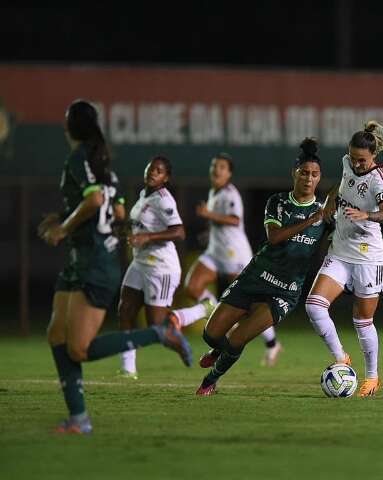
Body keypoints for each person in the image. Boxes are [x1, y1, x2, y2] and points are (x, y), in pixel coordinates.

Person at [38, 100, 193, 434]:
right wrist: (67, 219)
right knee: (56, 335)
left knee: (77, 348)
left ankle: (160, 332)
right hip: (84, 260)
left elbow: (94, 201)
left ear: (69, 127)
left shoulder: (80, 159)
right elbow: (118, 214)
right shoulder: (105, 167)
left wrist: (63, 228)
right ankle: (79, 418)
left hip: (95, 263)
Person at [196, 138, 327, 395]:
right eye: (304, 173)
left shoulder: (325, 213)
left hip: (285, 291)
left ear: (320, 177)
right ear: (294, 173)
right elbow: (274, 237)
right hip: (255, 277)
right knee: (211, 335)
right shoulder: (278, 202)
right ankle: (216, 348)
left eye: (314, 174)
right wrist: (311, 220)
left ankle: (210, 381)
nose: (309, 179)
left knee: (237, 338)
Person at [305, 121, 383, 398]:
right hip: (341, 251)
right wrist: (331, 200)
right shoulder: (347, 163)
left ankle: (372, 377)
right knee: (314, 306)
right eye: (353, 158)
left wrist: (366, 215)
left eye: (362, 160)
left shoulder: (380, 180)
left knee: (362, 321)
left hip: (369, 258)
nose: (356, 164)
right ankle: (341, 357)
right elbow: (342, 185)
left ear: (373, 157)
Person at [117, 155, 213, 379]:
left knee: (157, 327)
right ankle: (128, 369)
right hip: (140, 262)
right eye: (150, 168)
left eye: (158, 171)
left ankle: (203, 309)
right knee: (125, 310)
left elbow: (179, 231)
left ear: (166, 178)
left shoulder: (164, 199)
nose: (152, 172)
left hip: (161, 266)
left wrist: (147, 237)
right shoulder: (143, 196)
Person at [184, 153, 283, 366]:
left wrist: (208, 215)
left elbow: (234, 219)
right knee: (192, 286)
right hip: (215, 251)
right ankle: (214, 311)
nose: (216, 170)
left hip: (234, 254)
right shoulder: (214, 192)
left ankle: (273, 343)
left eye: (221, 167)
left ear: (229, 173)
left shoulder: (231, 194)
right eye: (214, 166)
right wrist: (209, 232)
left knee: (249, 303)